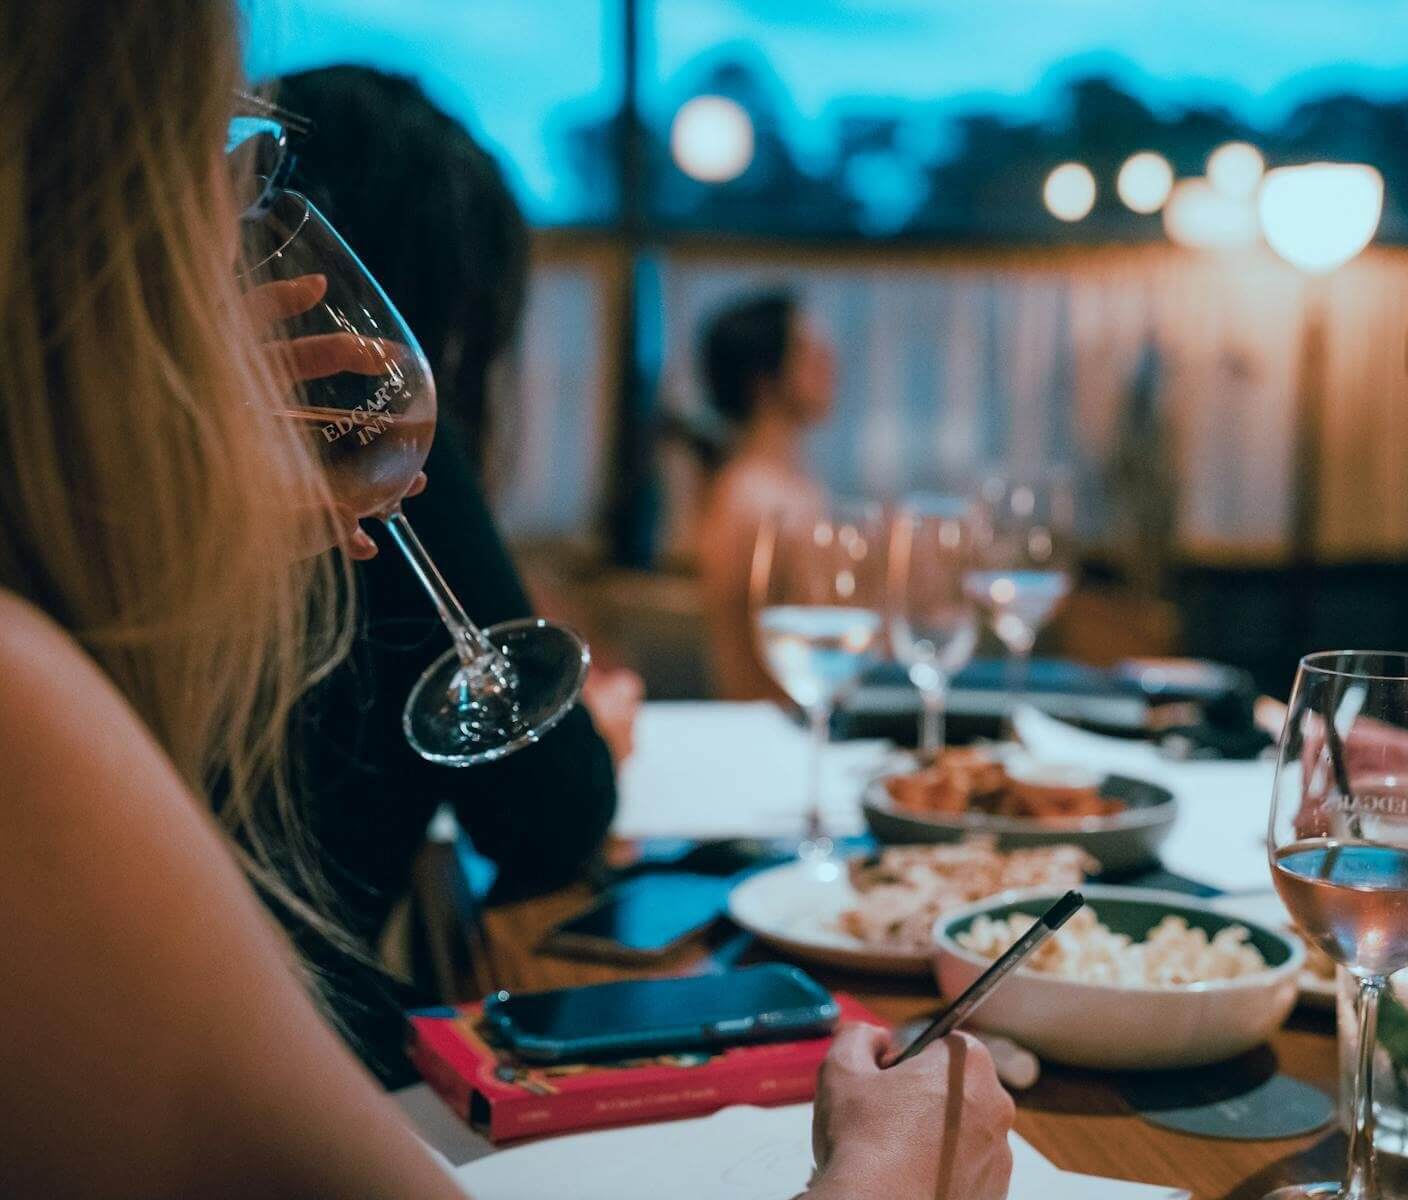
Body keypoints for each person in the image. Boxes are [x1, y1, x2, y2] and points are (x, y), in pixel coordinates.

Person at [0, 6, 1013, 1196]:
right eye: (216, 160)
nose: (240, 215)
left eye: (260, 160)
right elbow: (552, 811)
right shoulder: (27, 706)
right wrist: (887, 1173)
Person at [261, 65, 639, 1086]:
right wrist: (588, 724)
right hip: (296, 1059)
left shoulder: (190, 480)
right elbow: (550, 814)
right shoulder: (365, 435)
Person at [694, 291, 836, 700]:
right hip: (775, 726)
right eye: (809, 351)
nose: (830, 362)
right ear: (762, 379)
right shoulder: (760, 500)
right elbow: (817, 642)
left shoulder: (767, 485)